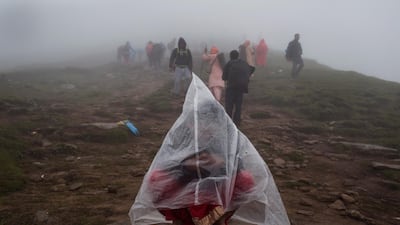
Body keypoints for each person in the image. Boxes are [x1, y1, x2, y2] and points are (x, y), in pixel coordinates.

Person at [129, 75, 290, 225]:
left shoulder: (227, 139)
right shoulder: (183, 137)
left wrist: (219, 167)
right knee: (156, 179)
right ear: (192, 123)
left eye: (210, 122)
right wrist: (186, 170)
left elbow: (237, 165)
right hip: (186, 189)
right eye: (200, 122)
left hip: (216, 194)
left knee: (245, 179)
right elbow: (170, 162)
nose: (205, 127)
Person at [222, 50, 254, 127]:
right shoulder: (243, 63)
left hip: (231, 87)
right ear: (238, 56)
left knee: (229, 105)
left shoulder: (229, 63)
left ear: (230, 56)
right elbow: (252, 68)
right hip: (241, 87)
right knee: (238, 105)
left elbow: (224, 77)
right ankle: (237, 122)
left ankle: (228, 122)